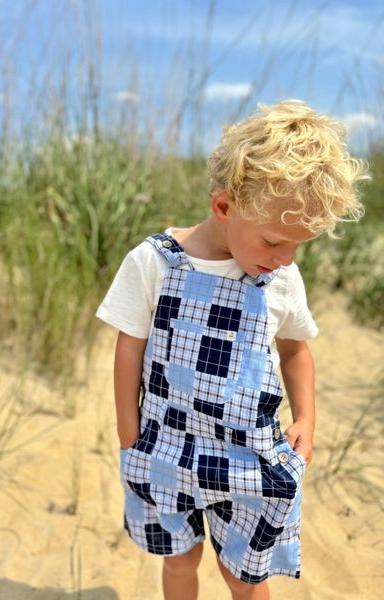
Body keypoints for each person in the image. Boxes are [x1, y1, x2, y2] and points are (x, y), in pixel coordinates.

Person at [96, 99, 368, 600]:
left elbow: (294, 350)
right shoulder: (155, 262)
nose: (285, 258)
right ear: (224, 207)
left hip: (247, 456)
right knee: (179, 558)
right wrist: (128, 430)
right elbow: (129, 346)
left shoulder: (280, 276)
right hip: (165, 445)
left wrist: (306, 416)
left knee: (243, 574)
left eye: (297, 246)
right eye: (272, 242)